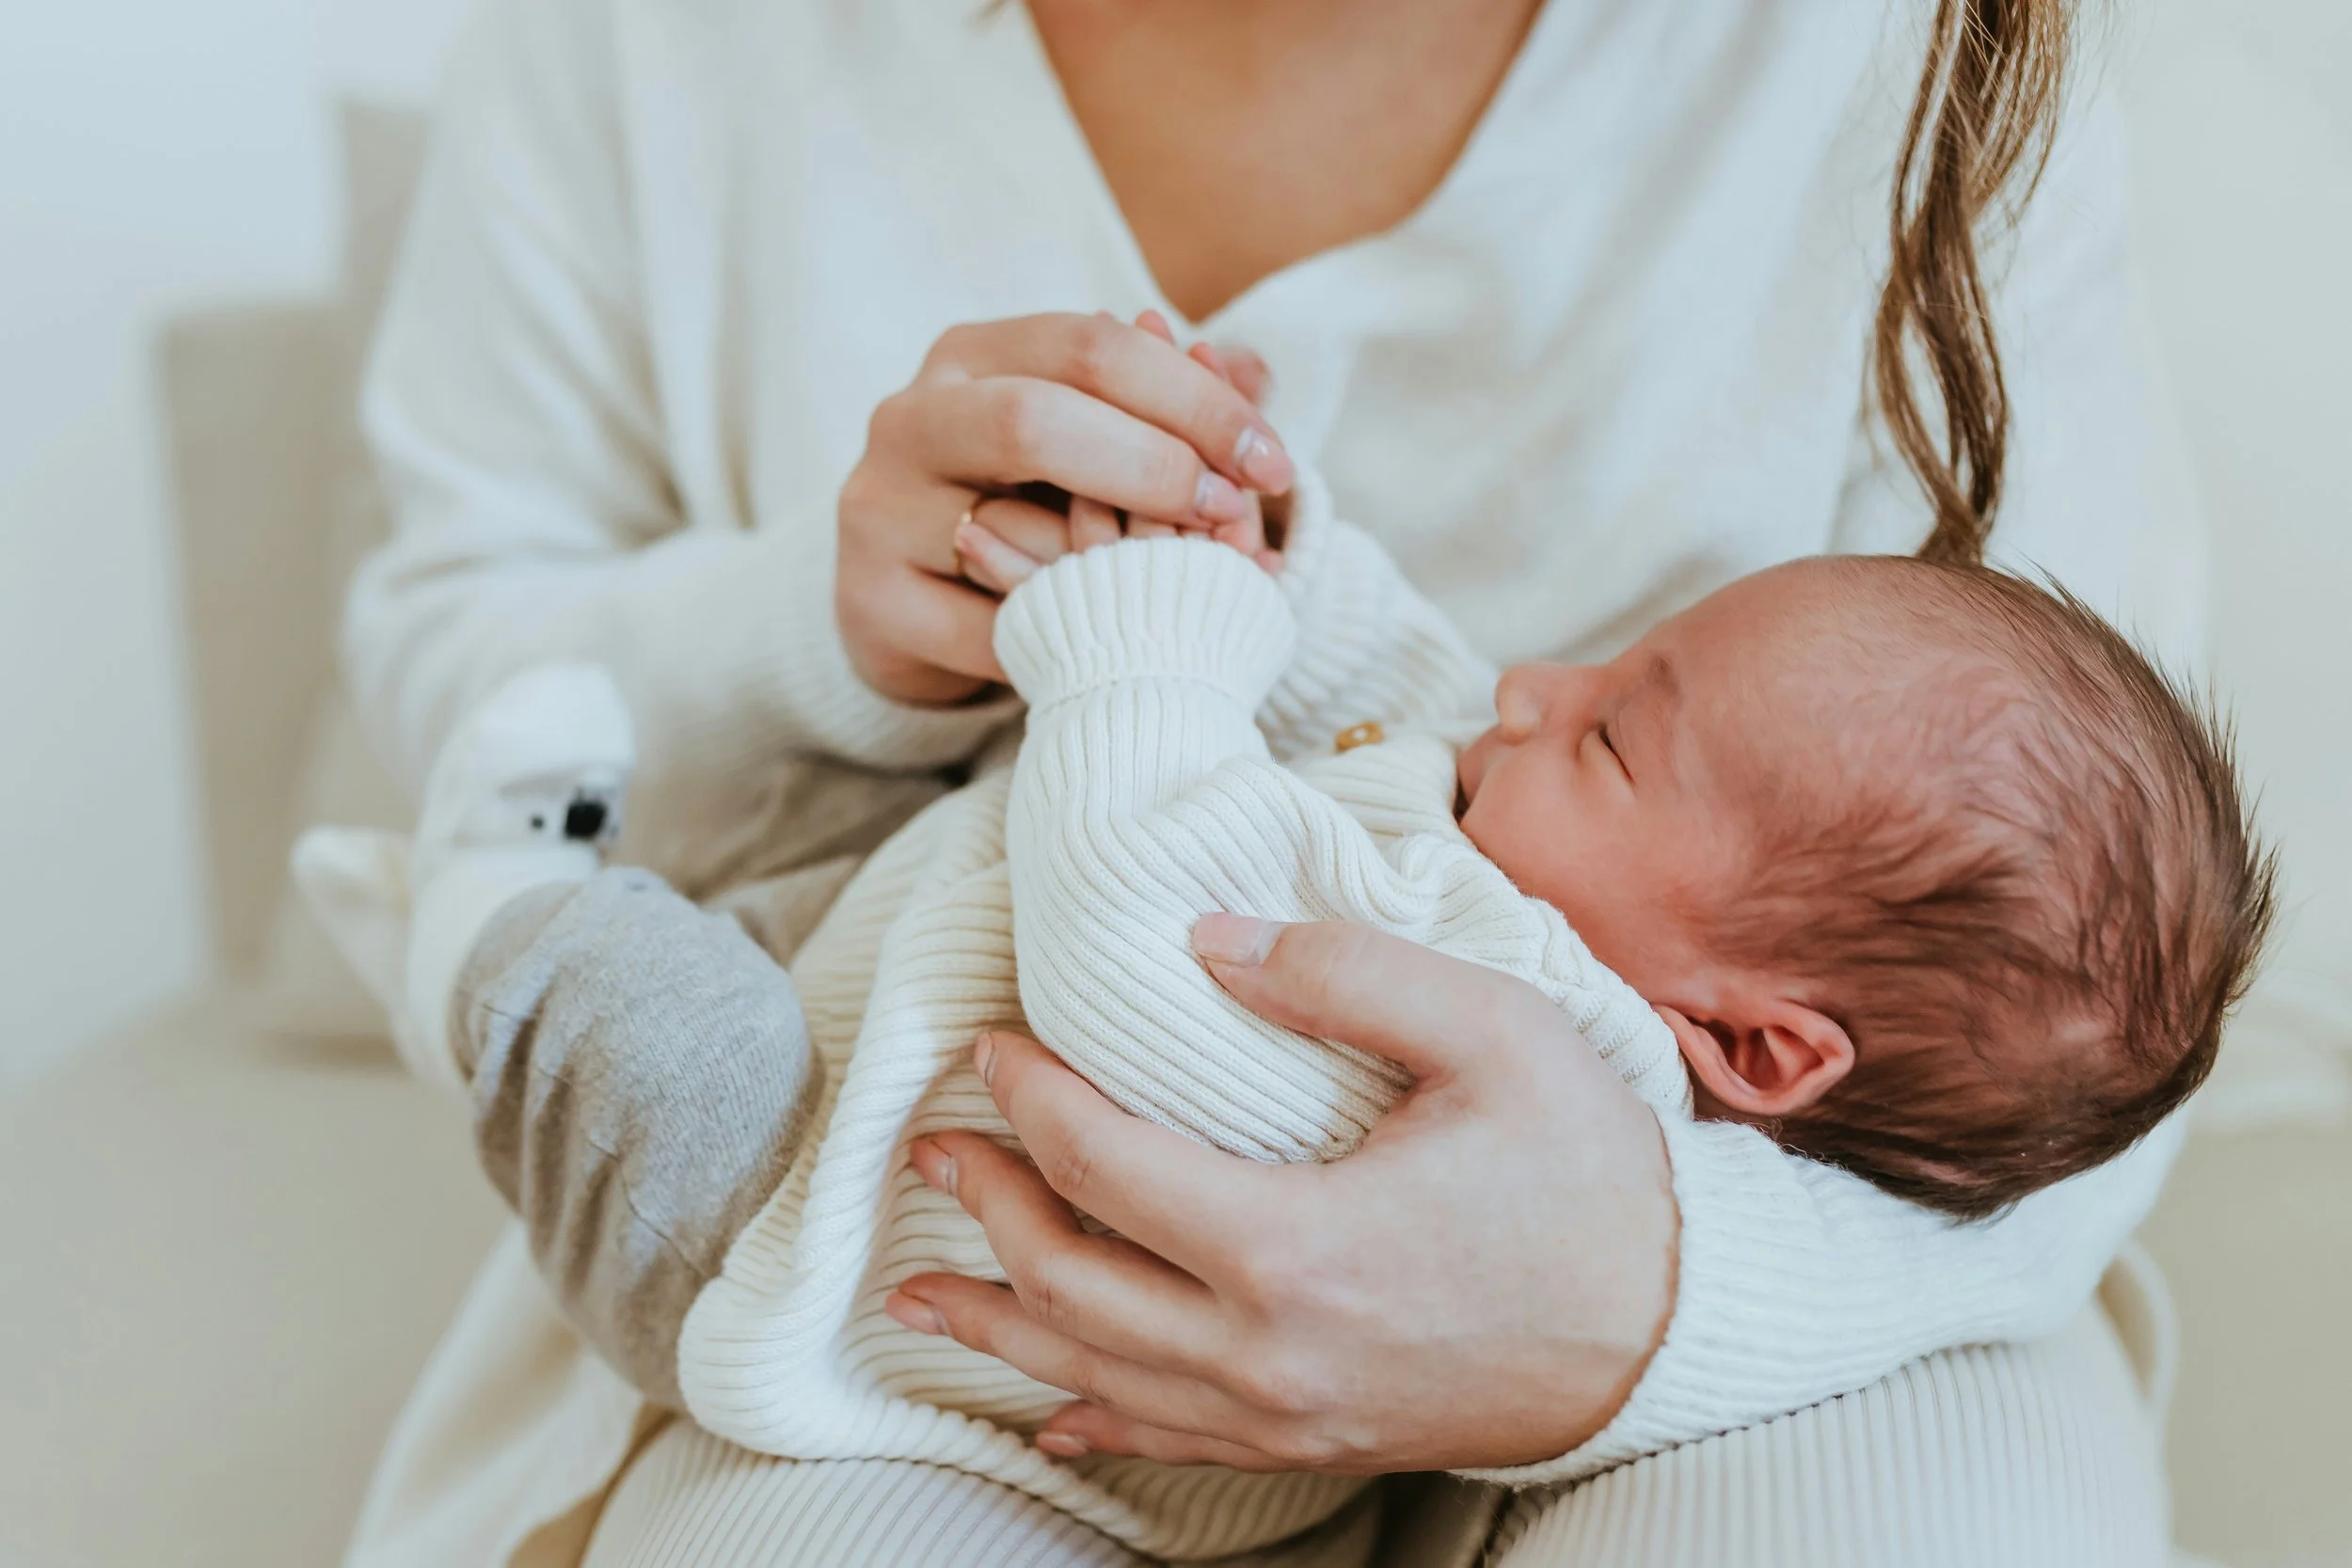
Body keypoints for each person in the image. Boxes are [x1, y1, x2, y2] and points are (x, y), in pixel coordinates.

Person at [335, 0, 2210, 1562]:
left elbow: (2074, 1011)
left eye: (1618, 727)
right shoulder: (653, 50)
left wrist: (1640, 1293)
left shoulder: (1919, 61)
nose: (1532, 688)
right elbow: (457, 699)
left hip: (1805, 1282)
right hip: (917, 1285)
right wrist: (836, 640)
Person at [305, 467, 2268, 1564]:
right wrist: (1284, 554)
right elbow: (1391, 692)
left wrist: (1136, 646)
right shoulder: (1540, 865)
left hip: (791, 1208)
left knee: (599, 1004)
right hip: (876, 972)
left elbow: (1142, 954)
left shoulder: (1507, 1016)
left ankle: (465, 894)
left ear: (1755, 1047)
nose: (1528, 684)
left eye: (1609, 725)